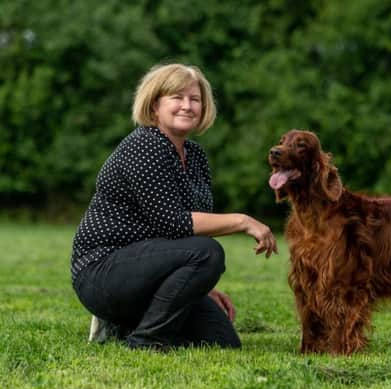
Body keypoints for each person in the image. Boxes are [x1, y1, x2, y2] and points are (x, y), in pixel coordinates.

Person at [71, 63, 278, 351]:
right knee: (209, 252)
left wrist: (197, 287)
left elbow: (185, 238)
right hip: (103, 272)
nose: (187, 106)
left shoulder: (194, 156)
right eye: (176, 98)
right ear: (155, 106)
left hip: (150, 270)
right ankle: (145, 340)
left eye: (195, 99)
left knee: (223, 341)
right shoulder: (145, 145)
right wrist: (243, 221)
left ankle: (124, 327)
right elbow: (175, 224)